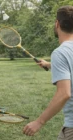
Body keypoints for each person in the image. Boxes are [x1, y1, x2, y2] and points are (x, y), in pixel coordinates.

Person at [23, 6, 73, 140]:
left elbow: (64, 93)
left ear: (57, 24)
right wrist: (50, 65)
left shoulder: (60, 53)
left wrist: (39, 122)